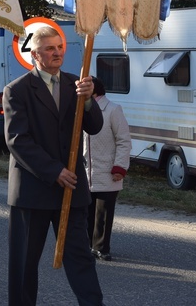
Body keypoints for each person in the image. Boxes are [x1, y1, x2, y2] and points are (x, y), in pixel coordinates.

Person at [3, 26, 105, 306]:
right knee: (25, 263)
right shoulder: (17, 90)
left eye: (59, 47)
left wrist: (88, 101)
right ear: (35, 55)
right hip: (33, 190)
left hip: (71, 190)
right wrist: (53, 170)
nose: (57, 52)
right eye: (49, 48)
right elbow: (17, 140)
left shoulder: (77, 85)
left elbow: (95, 127)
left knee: (81, 258)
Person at [83, 76, 131, 262]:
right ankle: (87, 246)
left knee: (102, 213)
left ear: (94, 90)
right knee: (85, 212)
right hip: (85, 172)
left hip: (107, 171)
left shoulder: (112, 109)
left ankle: (101, 247)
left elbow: (124, 141)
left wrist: (120, 167)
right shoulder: (81, 109)